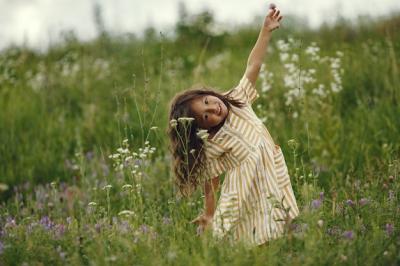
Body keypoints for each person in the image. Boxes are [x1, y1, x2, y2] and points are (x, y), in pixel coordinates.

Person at [167, 5, 299, 247]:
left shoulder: (238, 99)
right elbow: (211, 181)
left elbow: (253, 66)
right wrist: (209, 213)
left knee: (283, 220)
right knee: (253, 234)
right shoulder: (214, 141)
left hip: (271, 172)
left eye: (207, 102)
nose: (213, 109)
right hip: (245, 191)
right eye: (206, 117)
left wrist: (266, 31)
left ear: (207, 93)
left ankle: (287, 253)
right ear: (203, 128)